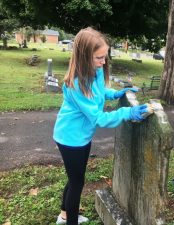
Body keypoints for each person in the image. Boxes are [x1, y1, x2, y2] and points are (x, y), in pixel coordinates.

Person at [53, 27, 148, 225]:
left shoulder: (93, 72)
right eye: (99, 57)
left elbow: (100, 90)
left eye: (105, 57)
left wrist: (115, 94)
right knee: (77, 181)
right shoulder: (76, 85)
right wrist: (128, 112)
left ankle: (64, 215)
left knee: (75, 178)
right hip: (70, 138)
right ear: (84, 56)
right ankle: (70, 221)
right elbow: (99, 119)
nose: (103, 62)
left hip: (81, 136)